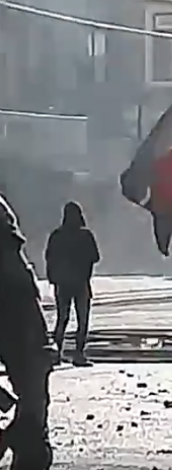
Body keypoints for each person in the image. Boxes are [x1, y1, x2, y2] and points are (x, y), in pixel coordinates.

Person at [0, 193, 55, 469]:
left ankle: (26, 438)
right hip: (19, 300)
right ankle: (26, 437)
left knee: (33, 388)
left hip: (16, 302)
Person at [45, 202, 100, 367]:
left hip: (62, 283)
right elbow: (95, 256)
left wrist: (53, 277)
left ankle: (57, 354)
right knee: (82, 320)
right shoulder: (85, 235)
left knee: (62, 319)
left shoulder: (57, 235)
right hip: (81, 282)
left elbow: (49, 257)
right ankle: (78, 354)